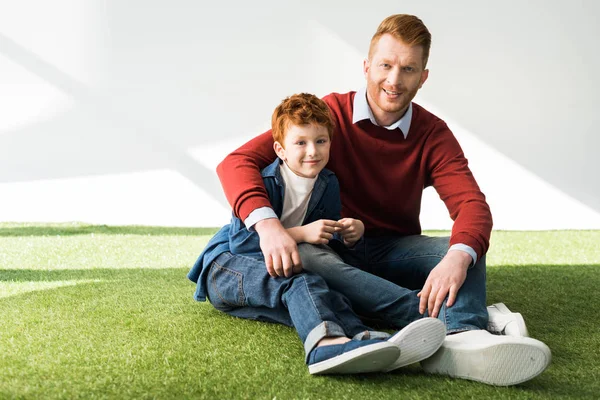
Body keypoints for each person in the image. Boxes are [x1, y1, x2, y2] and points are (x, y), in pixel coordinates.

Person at [214, 15, 551, 386]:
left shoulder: (432, 134)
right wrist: (269, 227)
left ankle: (463, 339)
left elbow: (472, 206)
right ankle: (456, 320)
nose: (394, 80)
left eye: (408, 69)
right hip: (335, 252)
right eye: (385, 66)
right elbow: (237, 162)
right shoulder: (328, 118)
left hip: (391, 251)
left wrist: (457, 256)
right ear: (366, 66)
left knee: (466, 248)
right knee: (309, 257)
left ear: (423, 77)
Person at [188, 93, 446, 375]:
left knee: (324, 289)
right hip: (229, 268)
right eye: (301, 142)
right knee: (302, 283)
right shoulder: (266, 181)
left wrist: (348, 232)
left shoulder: (327, 182)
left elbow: (325, 240)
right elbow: (242, 243)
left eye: (320, 141)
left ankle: (360, 338)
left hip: (275, 274)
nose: (312, 151)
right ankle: (326, 347)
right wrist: (301, 233)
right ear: (280, 149)